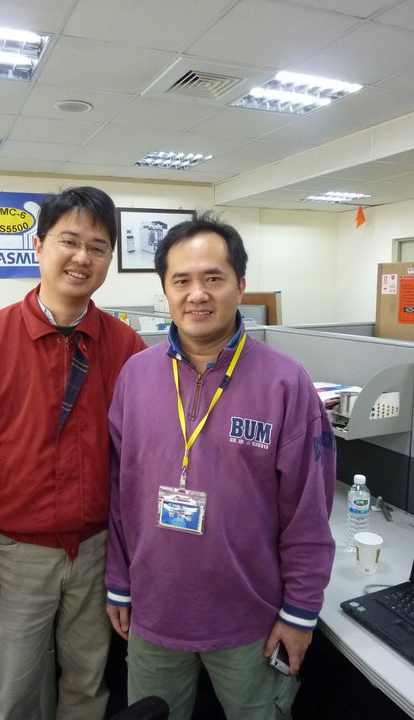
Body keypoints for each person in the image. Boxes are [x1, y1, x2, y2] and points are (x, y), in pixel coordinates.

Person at [105, 213, 336, 720]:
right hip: (154, 613)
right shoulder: (134, 377)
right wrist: (118, 582)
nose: (197, 294)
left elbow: (308, 511)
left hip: (251, 621)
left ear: (240, 285)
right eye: (181, 280)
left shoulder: (285, 383)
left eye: (213, 277)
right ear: (165, 289)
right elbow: (119, 494)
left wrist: (300, 613)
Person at [0, 186, 146, 720]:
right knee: (15, 691)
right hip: (16, 554)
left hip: (96, 549)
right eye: (69, 241)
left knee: (88, 683)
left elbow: (141, 455)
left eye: (98, 247)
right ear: (38, 245)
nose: (82, 258)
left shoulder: (125, 347)